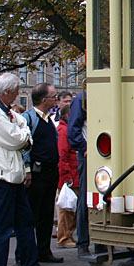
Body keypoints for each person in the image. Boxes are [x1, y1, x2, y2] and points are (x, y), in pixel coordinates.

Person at [0, 72, 52, 266]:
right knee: (2, 225)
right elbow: (16, 140)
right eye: (16, 92)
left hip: (12, 174)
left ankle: (29, 263)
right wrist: (25, 135)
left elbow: (21, 124)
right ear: (7, 92)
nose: (18, 95)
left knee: (25, 221)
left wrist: (22, 131)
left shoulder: (4, 110)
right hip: (2, 176)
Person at [20, 83, 63, 263]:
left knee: (46, 213)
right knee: (32, 214)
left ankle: (44, 251)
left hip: (50, 172)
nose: (56, 99)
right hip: (36, 173)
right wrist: (27, 170)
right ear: (44, 100)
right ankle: (25, 254)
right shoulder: (28, 118)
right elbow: (23, 145)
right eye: (54, 96)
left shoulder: (48, 119)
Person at [68, 90, 92, 258]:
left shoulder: (82, 98)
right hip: (89, 154)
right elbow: (73, 131)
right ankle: (83, 242)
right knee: (85, 197)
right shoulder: (82, 99)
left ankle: (98, 243)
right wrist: (84, 148)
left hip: (97, 151)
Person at [55, 104, 78, 248]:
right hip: (70, 175)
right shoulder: (63, 131)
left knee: (70, 207)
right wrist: (66, 175)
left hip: (73, 173)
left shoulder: (65, 130)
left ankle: (67, 235)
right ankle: (64, 237)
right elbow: (62, 155)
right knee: (67, 209)